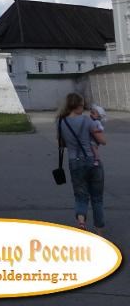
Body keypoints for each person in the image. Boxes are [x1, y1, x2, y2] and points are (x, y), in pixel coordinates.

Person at [57, 92, 106, 231]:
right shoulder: (87, 120)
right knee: (97, 199)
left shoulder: (61, 122)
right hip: (92, 161)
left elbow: (62, 144)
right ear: (78, 105)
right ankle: (99, 232)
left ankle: (81, 222)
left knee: (80, 197)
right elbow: (103, 140)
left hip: (74, 162)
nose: (83, 108)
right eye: (82, 105)